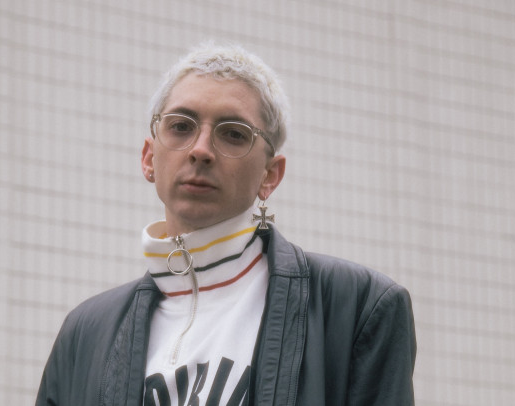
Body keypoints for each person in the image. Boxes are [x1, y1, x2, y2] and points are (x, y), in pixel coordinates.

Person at [36, 42, 416, 406]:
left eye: (233, 133)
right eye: (181, 126)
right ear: (149, 158)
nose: (201, 150)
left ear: (270, 174)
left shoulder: (360, 308)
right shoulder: (83, 335)